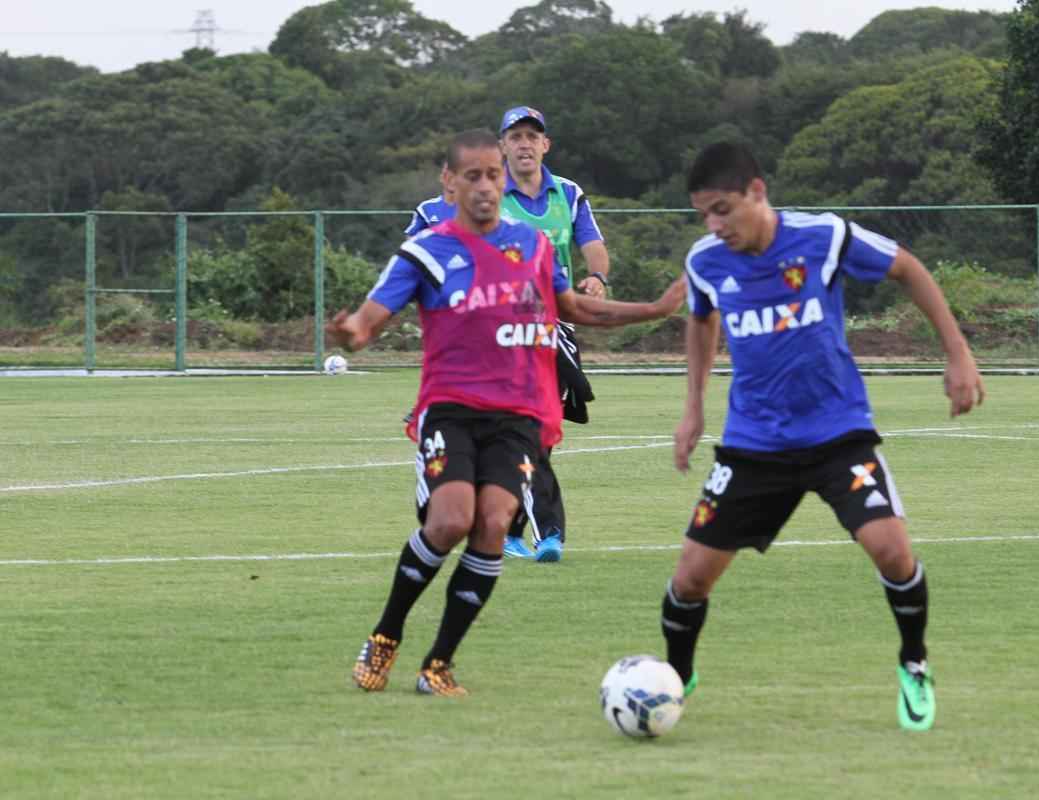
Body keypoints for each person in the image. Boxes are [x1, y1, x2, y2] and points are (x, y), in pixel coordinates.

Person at [328, 129, 684, 696]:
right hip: (450, 409)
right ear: (449, 183)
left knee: (493, 523)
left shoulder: (534, 247)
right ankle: (386, 634)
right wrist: (350, 334)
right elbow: (369, 322)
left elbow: (573, 308)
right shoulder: (426, 251)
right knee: (448, 521)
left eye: (493, 174)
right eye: (473, 176)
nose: (486, 186)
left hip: (518, 413)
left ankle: (438, 663)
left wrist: (652, 308)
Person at [661, 142, 985, 731]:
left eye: (723, 209)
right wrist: (693, 409)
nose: (714, 225)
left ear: (757, 192)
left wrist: (958, 353)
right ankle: (672, 681)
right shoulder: (706, 261)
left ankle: (914, 662)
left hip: (838, 434)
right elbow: (701, 319)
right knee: (690, 577)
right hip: (753, 445)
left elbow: (908, 268)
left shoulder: (824, 238)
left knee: (892, 549)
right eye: (703, 214)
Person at [405, 106, 614, 564]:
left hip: (552, 328)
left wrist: (597, 277)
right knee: (520, 427)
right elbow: (434, 226)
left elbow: (593, 245)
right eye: (514, 136)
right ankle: (530, 528)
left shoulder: (569, 194)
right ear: (502, 147)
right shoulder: (492, 194)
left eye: (531, 136)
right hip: (495, 332)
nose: (523, 143)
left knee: (541, 426)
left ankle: (519, 524)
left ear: (545, 145)